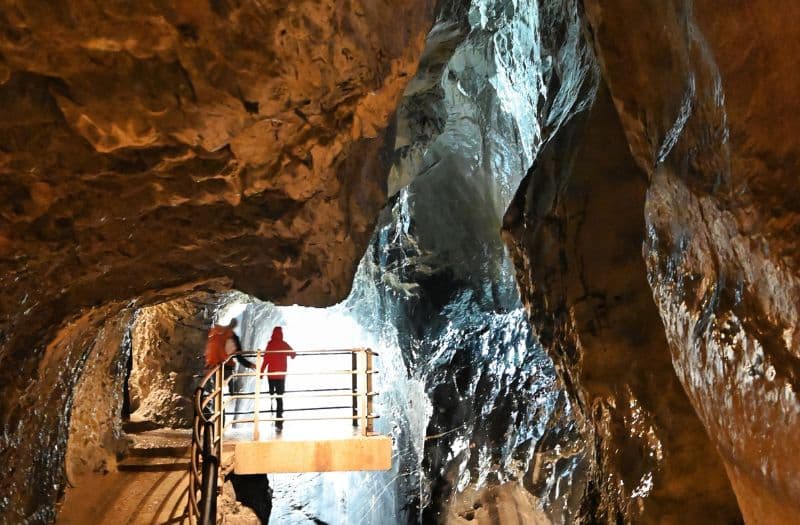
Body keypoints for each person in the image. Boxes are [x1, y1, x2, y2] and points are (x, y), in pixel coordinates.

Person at [205, 319, 255, 423]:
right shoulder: (231, 336)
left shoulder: (215, 333)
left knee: (216, 395)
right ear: (234, 326)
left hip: (213, 367)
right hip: (225, 368)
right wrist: (250, 364)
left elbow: (210, 350)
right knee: (223, 394)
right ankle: (221, 422)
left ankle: (217, 421)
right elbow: (239, 357)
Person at [260, 326, 296, 431]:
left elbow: (265, 360)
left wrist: (261, 373)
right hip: (280, 376)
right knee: (279, 398)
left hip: (271, 376)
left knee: (272, 396)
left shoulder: (270, 345)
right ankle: (279, 421)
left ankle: (272, 414)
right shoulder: (283, 344)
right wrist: (287, 354)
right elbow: (293, 354)